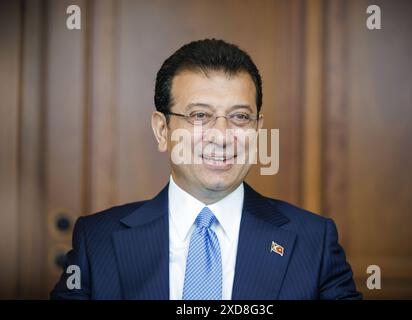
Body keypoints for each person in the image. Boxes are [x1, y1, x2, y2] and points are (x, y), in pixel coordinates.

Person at [51, 39, 361, 300]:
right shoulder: (98, 242)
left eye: (240, 117)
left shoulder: (313, 242)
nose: (222, 135)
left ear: (258, 129)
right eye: (200, 115)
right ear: (162, 130)